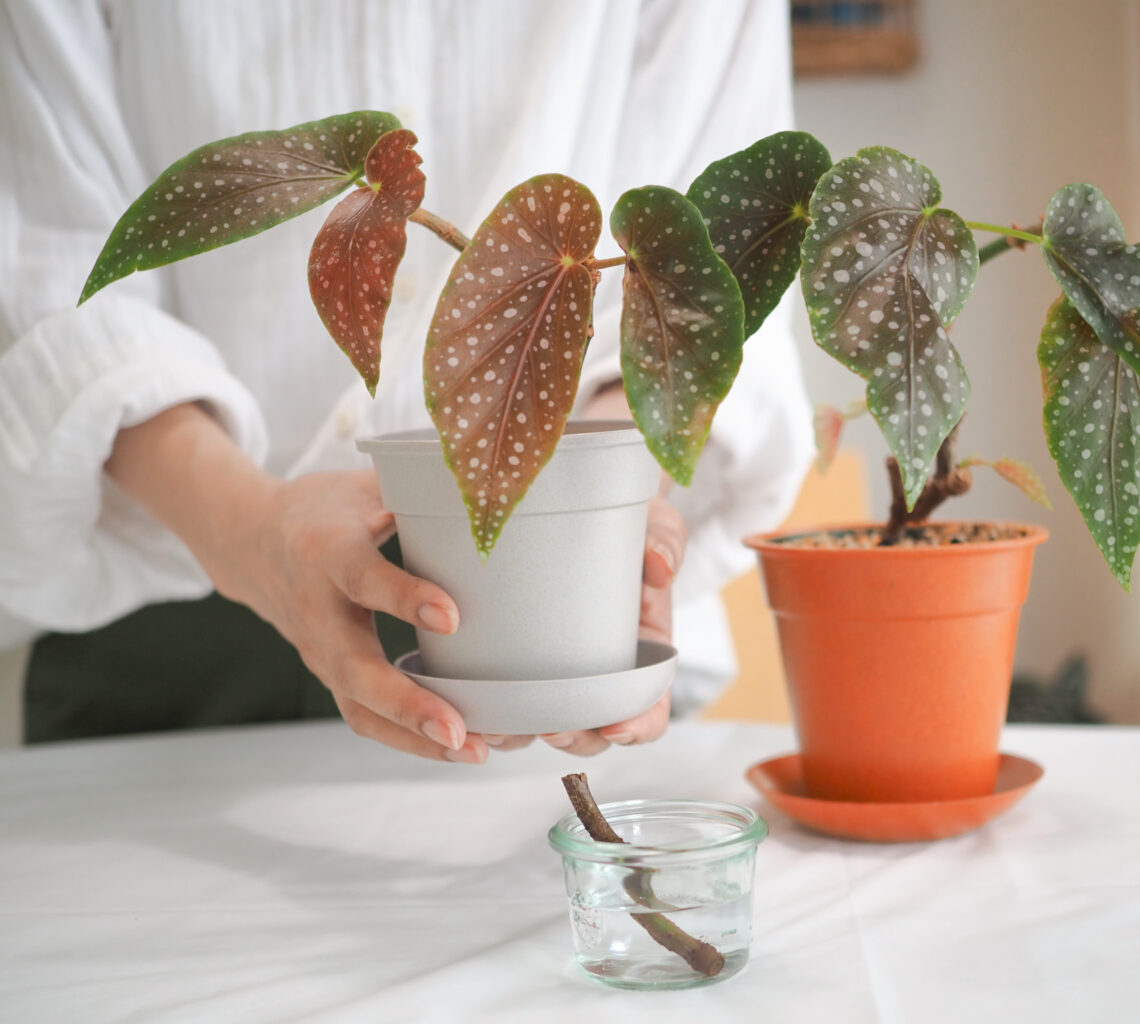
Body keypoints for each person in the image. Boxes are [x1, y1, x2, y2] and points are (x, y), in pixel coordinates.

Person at [0, 0, 812, 760]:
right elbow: (51, 272)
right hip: (166, 616)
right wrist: (253, 531)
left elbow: (704, 276)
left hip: (556, 607)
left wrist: (617, 492)